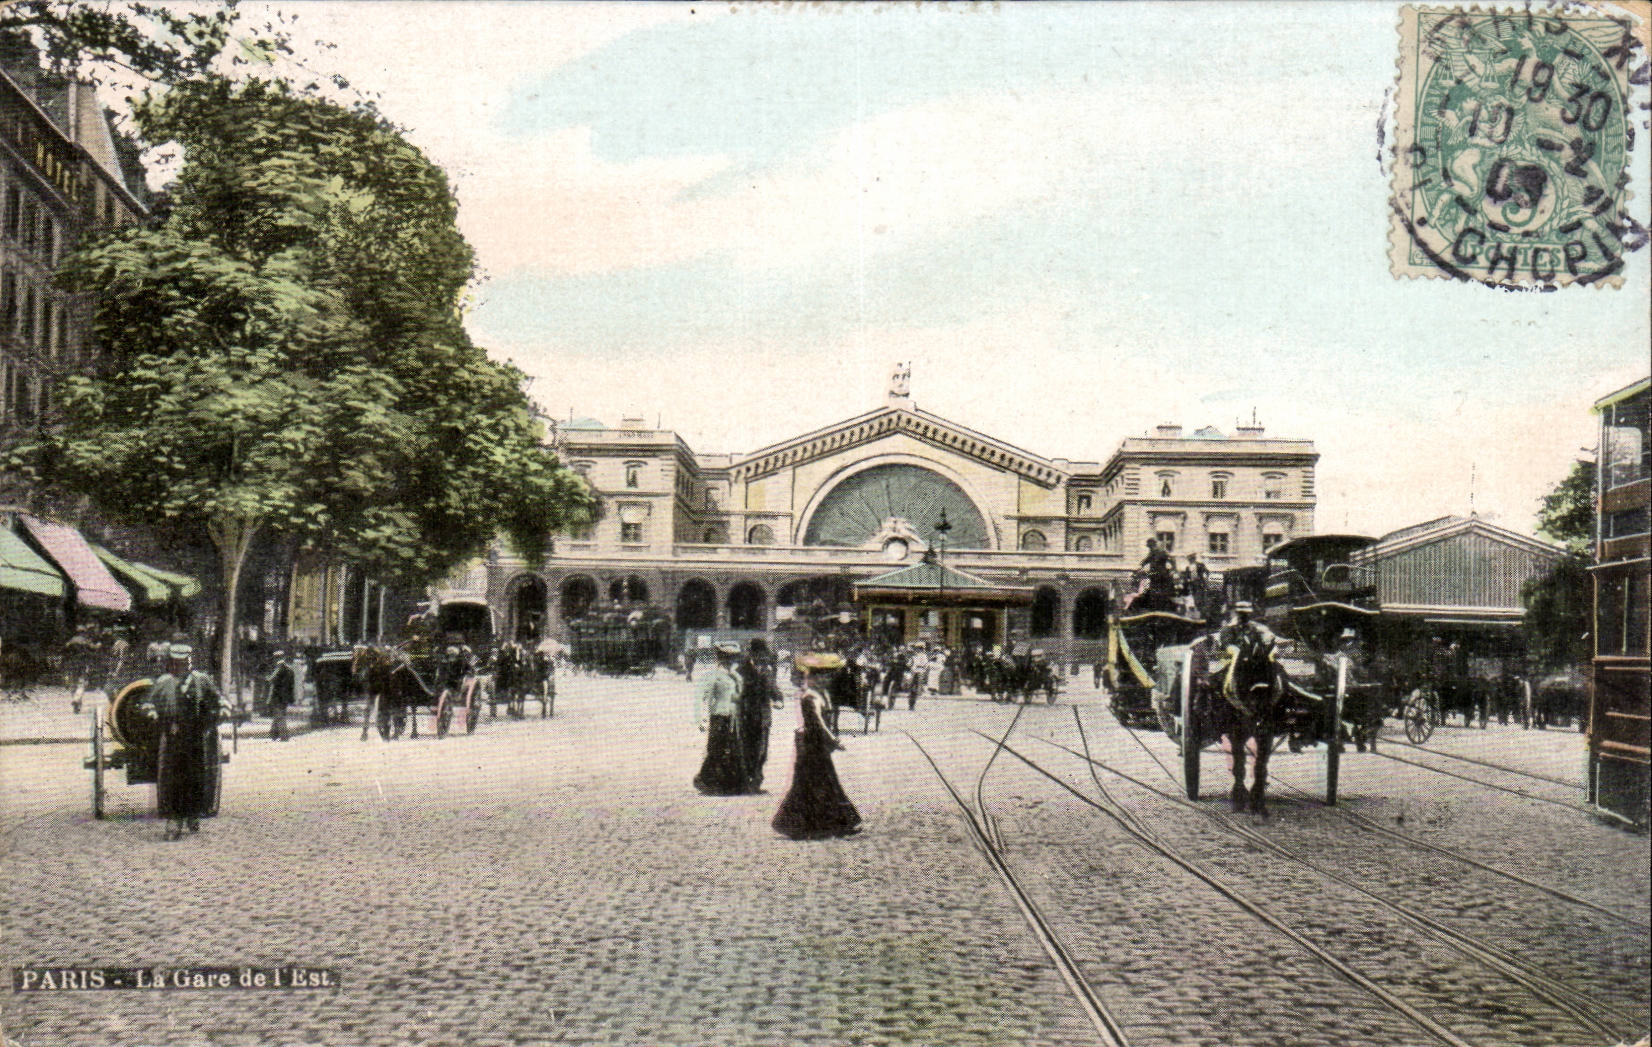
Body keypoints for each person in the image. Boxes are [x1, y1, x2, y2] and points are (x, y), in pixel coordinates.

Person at [772, 653, 861, 840]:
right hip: (813, 748)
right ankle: (829, 825)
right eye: (822, 676)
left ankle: (825, 824)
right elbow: (819, 724)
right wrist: (835, 741)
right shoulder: (810, 697)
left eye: (827, 676)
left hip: (817, 747)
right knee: (819, 784)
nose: (826, 680)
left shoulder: (821, 695)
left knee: (817, 785)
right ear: (813, 677)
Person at [149, 644, 224, 840]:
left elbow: (217, 701)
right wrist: (157, 718)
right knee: (173, 777)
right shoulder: (164, 682)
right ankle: (174, 820)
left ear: (190, 661)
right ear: (172, 663)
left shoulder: (202, 680)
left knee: (196, 776)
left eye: (185, 662)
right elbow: (150, 705)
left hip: (196, 736)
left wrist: (216, 716)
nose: (182, 666)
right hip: (173, 735)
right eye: (178, 662)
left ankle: (192, 814)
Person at [693, 643, 746, 795]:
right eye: (727, 658)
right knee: (716, 748)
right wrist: (701, 719)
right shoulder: (714, 676)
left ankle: (728, 783)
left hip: (734, 716)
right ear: (720, 658)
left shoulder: (736, 677)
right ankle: (706, 780)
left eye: (732, 658)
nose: (730, 661)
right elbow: (703, 697)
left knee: (732, 747)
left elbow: (740, 695)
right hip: (719, 715)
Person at [735, 638, 783, 793]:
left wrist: (779, 699)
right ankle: (746, 781)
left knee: (762, 750)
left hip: (763, 717)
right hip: (746, 716)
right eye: (759, 656)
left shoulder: (767, 672)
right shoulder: (741, 671)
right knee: (747, 748)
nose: (761, 660)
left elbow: (774, 689)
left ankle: (756, 781)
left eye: (763, 656)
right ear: (752, 655)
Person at [265, 649, 296, 742]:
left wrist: (266, 678)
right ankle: (273, 734)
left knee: (279, 716)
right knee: (279, 714)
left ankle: (284, 736)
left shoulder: (279, 669)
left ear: (276, 658)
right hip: (286, 697)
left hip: (277, 696)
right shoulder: (290, 670)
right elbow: (292, 685)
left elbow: (271, 680)